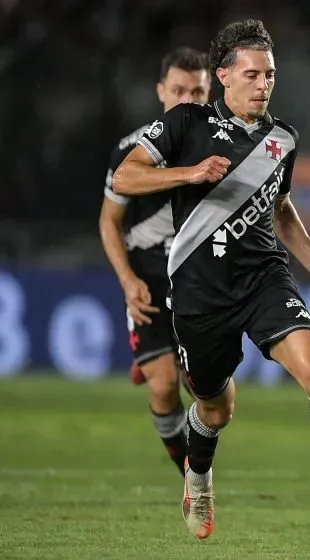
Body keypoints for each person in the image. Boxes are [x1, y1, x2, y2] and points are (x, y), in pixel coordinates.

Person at [111, 19, 310, 541]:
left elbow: (281, 208)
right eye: (251, 75)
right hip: (200, 291)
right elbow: (125, 176)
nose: (263, 84)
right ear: (223, 76)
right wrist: (187, 174)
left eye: (269, 75)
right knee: (215, 407)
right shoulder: (186, 124)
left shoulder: (283, 138)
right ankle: (198, 477)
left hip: (262, 278)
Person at [99, 46, 210, 476]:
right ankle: (191, 475)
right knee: (164, 388)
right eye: (178, 90)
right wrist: (127, 280)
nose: (188, 101)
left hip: (199, 281)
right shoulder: (132, 151)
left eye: (197, 92)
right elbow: (109, 222)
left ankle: (157, 357)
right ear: (160, 91)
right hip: (147, 277)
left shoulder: (228, 147)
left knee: (207, 391)